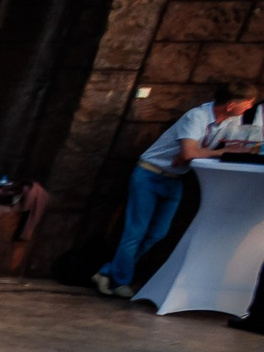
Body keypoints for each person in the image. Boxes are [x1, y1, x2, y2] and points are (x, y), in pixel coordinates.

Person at [94, 78, 262, 298]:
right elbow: (189, 153)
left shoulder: (232, 121)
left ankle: (108, 272)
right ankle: (120, 281)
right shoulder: (197, 116)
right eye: (247, 103)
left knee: (157, 233)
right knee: (135, 231)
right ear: (231, 105)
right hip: (150, 174)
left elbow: (238, 146)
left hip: (175, 178)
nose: (249, 107)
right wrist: (218, 153)